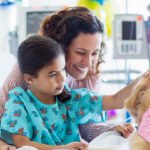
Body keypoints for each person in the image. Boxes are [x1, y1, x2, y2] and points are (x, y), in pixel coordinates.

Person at [0, 6, 138, 148]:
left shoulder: (73, 96)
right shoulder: (26, 80)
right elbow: (19, 140)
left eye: (95, 53)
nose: (88, 62)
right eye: (80, 52)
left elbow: (108, 105)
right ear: (62, 48)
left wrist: (109, 129)